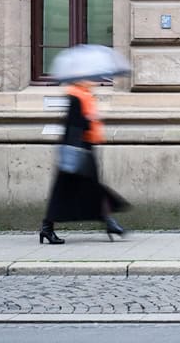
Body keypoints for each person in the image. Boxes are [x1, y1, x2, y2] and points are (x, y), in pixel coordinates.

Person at [39, 80, 130, 244]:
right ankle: (47, 228)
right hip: (76, 150)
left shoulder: (84, 95)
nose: (93, 81)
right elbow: (73, 124)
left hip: (83, 147)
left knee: (91, 187)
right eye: (89, 78)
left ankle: (108, 222)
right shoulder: (76, 96)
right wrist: (88, 120)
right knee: (65, 190)